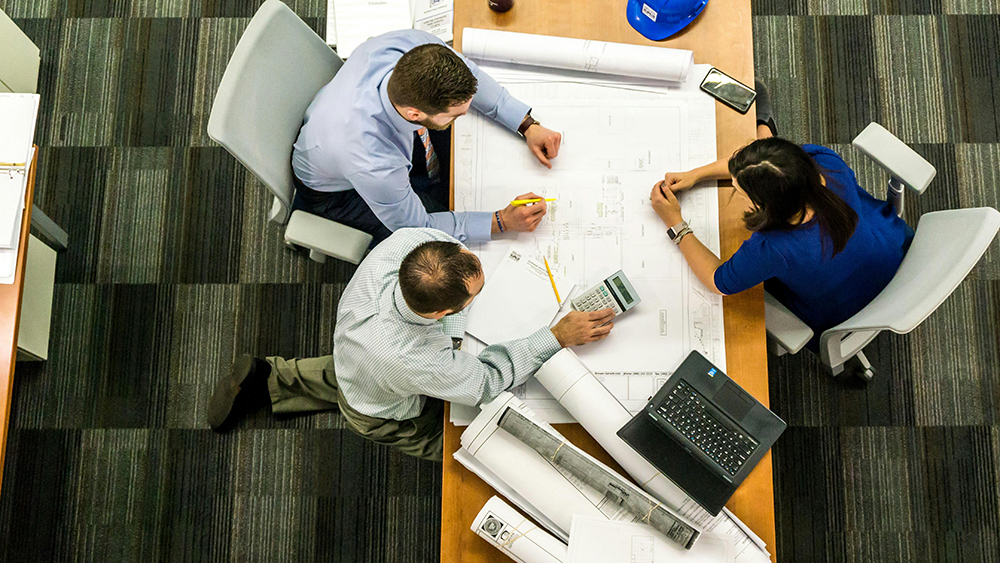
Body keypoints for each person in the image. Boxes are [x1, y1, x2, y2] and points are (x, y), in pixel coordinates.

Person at [207, 228, 614, 461]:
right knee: (462, 443)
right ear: (440, 313)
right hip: (382, 408)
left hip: (357, 351)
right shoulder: (413, 359)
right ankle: (468, 454)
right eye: (474, 296)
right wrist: (555, 336)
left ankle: (270, 377)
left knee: (352, 372)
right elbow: (486, 382)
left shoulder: (409, 244)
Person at [648, 83, 913, 348]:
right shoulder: (823, 161)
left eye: (740, 191)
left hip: (845, 312)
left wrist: (675, 222)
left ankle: (764, 126)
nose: (735, 189)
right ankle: (765, 127)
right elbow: (759, 167)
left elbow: (718, 281)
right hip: (892, 249)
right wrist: (696, 175)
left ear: (767, 205)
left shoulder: (773, 249)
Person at [291, 29, 564, 245]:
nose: (466, 115)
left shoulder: (412, 46)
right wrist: (501, 221)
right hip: (336, 193)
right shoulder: (372, 161)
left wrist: (526, 124)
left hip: (340, 127)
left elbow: (472, 75)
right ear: (414, 114)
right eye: (456, 114)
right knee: (440, 249)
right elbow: (417, 227)